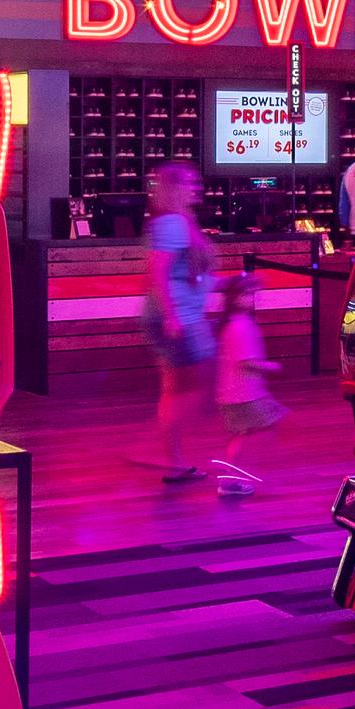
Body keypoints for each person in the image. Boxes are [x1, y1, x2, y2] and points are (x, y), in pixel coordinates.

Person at [144, 164, 216, 484]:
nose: (195, 187)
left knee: (178, 389)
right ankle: (162, 451)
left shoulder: (182, 221)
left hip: (181, 314)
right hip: (176, 317)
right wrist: (172, 315)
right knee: (197, 388)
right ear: (173, 187)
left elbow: (189, 274)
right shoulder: (173, 223)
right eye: (189, 183)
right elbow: (158, 272)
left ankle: (172, 460)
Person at [206, 269, 280, 497]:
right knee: (257, 432)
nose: (252, 299)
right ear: (234, 298)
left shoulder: (235, 323)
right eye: (247, 295)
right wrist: (270, 366)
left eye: (252, 294)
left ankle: (232, 478)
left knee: (246, 433)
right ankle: (231, 480)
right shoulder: (240, 326)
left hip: (238, 393)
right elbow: (247, 362)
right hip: (243, 394)